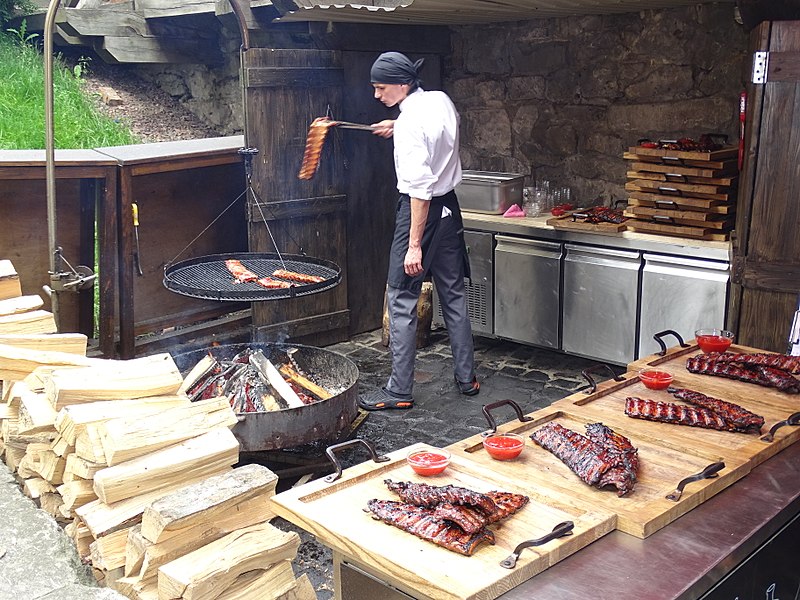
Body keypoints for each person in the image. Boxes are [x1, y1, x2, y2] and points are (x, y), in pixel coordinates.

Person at [358, 51, 479, 411]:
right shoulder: (439, 100)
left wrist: (414, 245)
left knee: (401, 298)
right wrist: (398, 124)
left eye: (381, 88)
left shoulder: (410, 126)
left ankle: (399, 391)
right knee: (454, 295)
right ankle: (467, 378)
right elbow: (438, 130)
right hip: (450, 211)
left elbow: (419, 190)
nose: (377, 96)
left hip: (421, 213)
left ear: (402, 84)